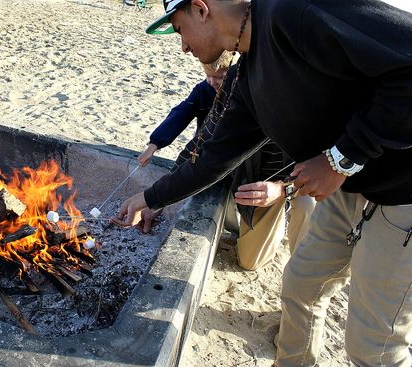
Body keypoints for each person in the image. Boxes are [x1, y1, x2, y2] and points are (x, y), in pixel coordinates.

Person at [112, 0, 412, 365]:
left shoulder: (293, 12)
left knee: (372, 344)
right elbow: (212, 162)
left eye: (179, 29)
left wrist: (341, 159)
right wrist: (149, 197)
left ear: (202, 9)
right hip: (350, 190)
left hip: (402, 192)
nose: (184, 46)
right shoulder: (247, 78)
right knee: (302, 286)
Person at [139, 55, 315, 270]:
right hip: (237, 174)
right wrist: (157, 199)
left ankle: (298, 253)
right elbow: (197, 143)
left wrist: (281, 189)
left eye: (220, 77)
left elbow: (311, 162)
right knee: (247, 256)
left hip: (274, 179)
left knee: (305, 206)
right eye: (208, 77)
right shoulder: (216, 93)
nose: (213, 82)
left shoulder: (288, 104)